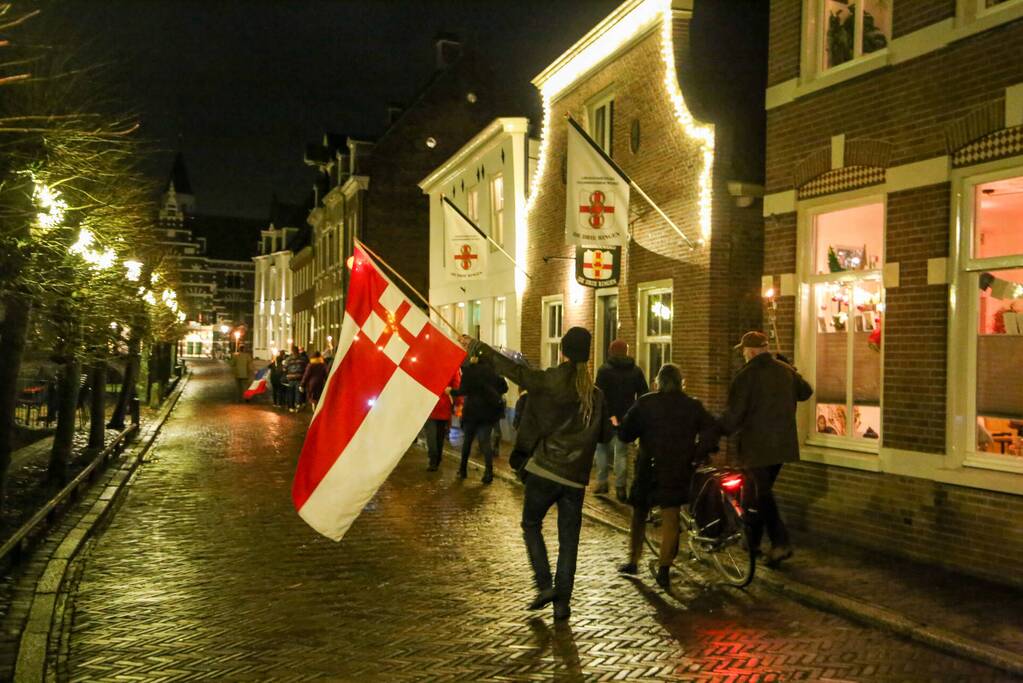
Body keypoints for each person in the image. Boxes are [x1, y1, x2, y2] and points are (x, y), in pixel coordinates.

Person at [462, 327, 611, 621]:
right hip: (575, 479)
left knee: (531, 524)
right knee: (569, 542)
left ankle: (545, 585)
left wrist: (478, 347)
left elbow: (515, 371)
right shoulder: (595, 395)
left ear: (562, 351)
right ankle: (562, 605)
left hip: (544, 469)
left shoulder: (549, 380)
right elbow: (605, 435)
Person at [615, 363, 717, 589]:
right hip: (678, 468)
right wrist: (698, 453)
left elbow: (625, 433)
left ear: (658, 382)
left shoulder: (646, 403)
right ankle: (664, 568)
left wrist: (622, 429)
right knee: (671, 516)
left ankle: (633, 560)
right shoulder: (692, 405)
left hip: (649, 467)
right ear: (681, 382)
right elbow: (711, 428)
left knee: (639, 512)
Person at [718, 331, 813, 565]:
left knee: (762, 493)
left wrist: (716, 430)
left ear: (750, 352)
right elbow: (805, 392)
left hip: (757, 446)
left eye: (743, 350)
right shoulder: (784, 371)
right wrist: (793, 371)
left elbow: (734, 415)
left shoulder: (746, 376)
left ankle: (780, 543)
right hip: (782, 445)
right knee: (753, 492)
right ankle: (752, 540)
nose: (743, 354)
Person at [594, 339, 649, 500]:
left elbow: (598, 394)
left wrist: (605, 414)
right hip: (626, 417)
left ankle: (602, 482)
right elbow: (643, 393)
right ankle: (620, 487)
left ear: (611, 351)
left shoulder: (604, 370)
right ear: (626, 352)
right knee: (621, 453)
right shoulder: (636, 371)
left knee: (602, 449)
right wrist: (634, 411)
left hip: (607, 417)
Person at [452, 352, 507, 484]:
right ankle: (488, 473)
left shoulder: (470, 371)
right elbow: (504, 388)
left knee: (467, 442)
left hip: (471, 413)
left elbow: (462, 390)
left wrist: (451, 391)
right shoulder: (494, 372)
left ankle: (463, 470)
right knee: (485, 442)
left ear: (476, 358)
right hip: (487, 414)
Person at [425, 370, 460, 471]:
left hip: (433, 406)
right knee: (438, 437)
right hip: (442, 407)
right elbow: (457, 387)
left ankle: (434, 460)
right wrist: (458, 403)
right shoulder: (453, 369)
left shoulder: (431, 366)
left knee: (433, 436)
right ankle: (435, 460)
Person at [284, 346, 308, 413]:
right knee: (298, 392)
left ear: (292, 351)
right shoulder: (302, 359)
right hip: (299, 377)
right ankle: (297, 405)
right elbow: (306, 367)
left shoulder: (288, 359)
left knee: (291, 392)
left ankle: (291, 407)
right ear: (298, 351)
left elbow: (285, 368)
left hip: (290, 378)